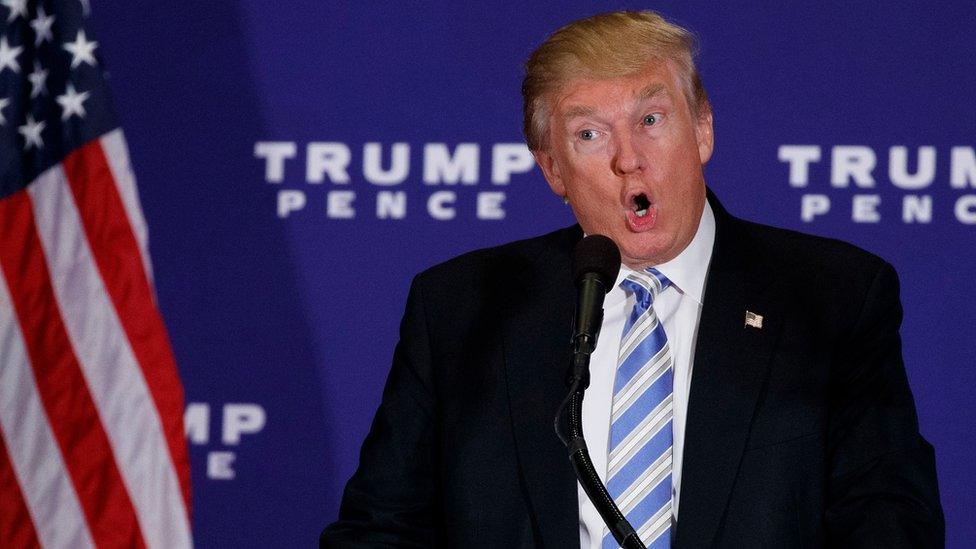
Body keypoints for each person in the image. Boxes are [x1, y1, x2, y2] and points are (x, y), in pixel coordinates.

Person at [321, 10, 943, 548]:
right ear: (552, 170)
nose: (627, 159)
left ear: (702, 129)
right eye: (589, 134)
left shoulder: (832, 298)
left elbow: (887, 519)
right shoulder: (461, 309)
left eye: (650, 119)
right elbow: (381, 528)